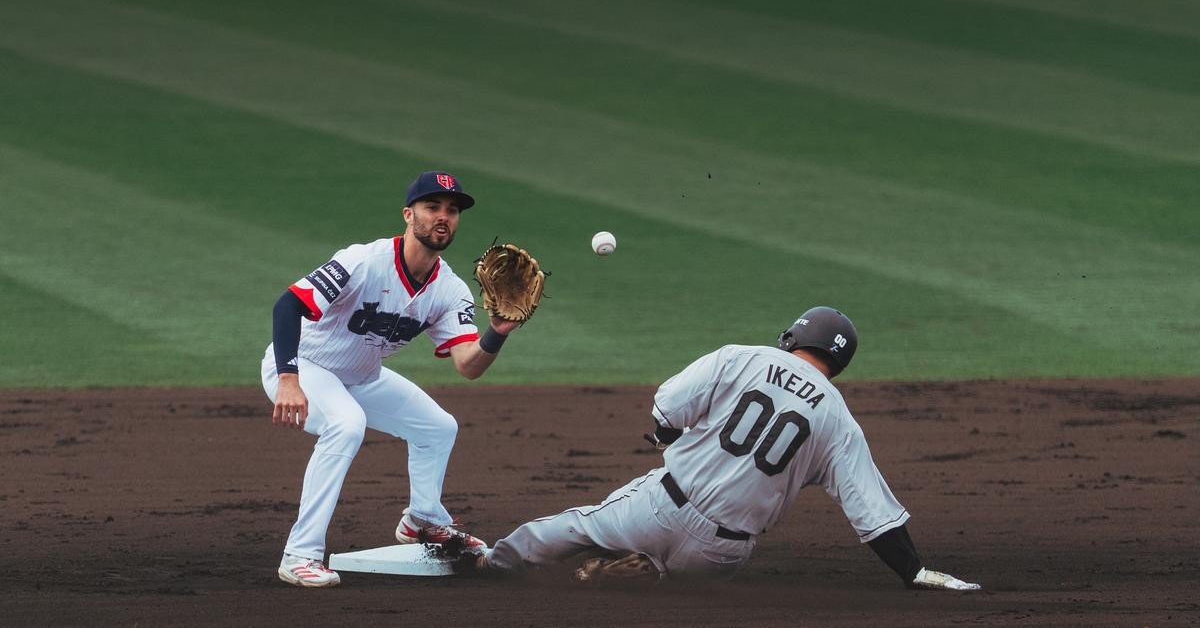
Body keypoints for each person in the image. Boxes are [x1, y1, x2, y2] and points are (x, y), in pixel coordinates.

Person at [477, 307, 980, 590]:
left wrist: (669, 439)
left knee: (574, 527)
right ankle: (643, 571)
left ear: (792, 338)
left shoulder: (742, 357)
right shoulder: (839, 420)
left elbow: (666, 408)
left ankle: (492, 567)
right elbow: (875, 517)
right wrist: (914, 570)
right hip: (724, 553)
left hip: (658, 508)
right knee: (670, 590)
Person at [262, 171, 520, 588]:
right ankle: (300, 554)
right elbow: (287, 305)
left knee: (438, 428)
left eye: (452, 211)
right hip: (303, 366)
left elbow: (468, 365)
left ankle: (423, 521)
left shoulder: (450, 290)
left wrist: (497, 333)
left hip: (362, 377)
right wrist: (289, 379)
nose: (443, 217)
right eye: (432, 207)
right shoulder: (363, 260)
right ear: (408, 214)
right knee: (346, 426)